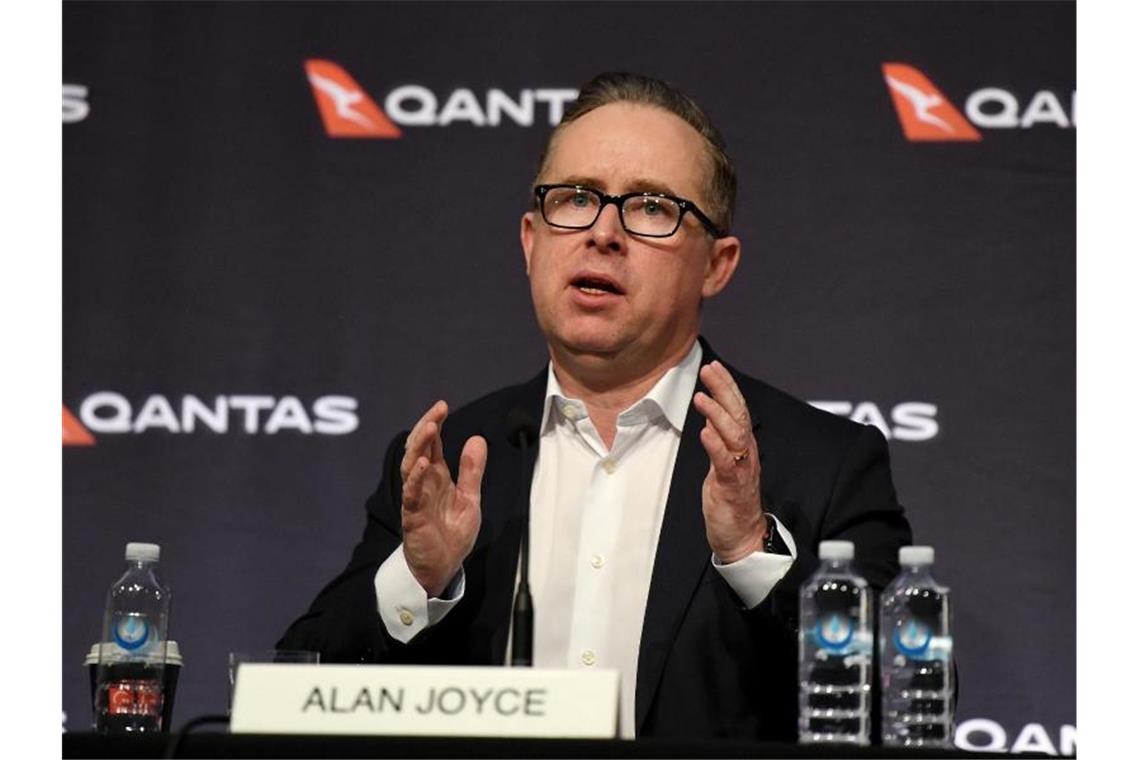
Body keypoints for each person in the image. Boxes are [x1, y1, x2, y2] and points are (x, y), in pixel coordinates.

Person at [278, 72, 911, 741]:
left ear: (716, 265)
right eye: (576, 198)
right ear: (531, 241)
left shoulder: (823, 463)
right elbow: (298, 678)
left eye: (651, 207)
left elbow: (906, 703)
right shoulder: (453, 460)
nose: (604, 232)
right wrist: (417, 578)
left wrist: (753, 554)